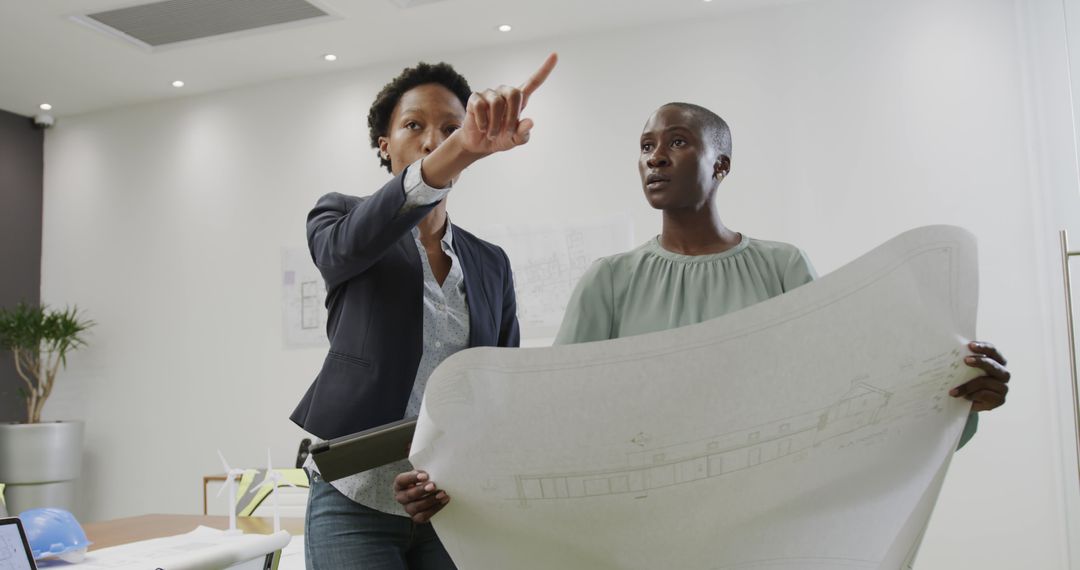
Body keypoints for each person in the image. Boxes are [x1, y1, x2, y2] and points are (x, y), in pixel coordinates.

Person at [394, 101, 1011, 524]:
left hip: (765, 516)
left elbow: (835, 391)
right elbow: (557, 417)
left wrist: (952, 391)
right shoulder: (610, 281)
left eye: (678, 143)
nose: (656, 157)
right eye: (646, 146)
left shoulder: (781, 267)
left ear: (721, 165)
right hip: (645, 525)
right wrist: (457, 480)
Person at [290, 53, 558, 569]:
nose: (434, 141)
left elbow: (497, 390)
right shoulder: (339, 217)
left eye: (450, 129)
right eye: (414, 126)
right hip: (353, 499)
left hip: (447, 502)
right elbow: (345, 248)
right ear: (385, 145)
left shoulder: (490, 263)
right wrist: (461, 149)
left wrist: (463, 476)